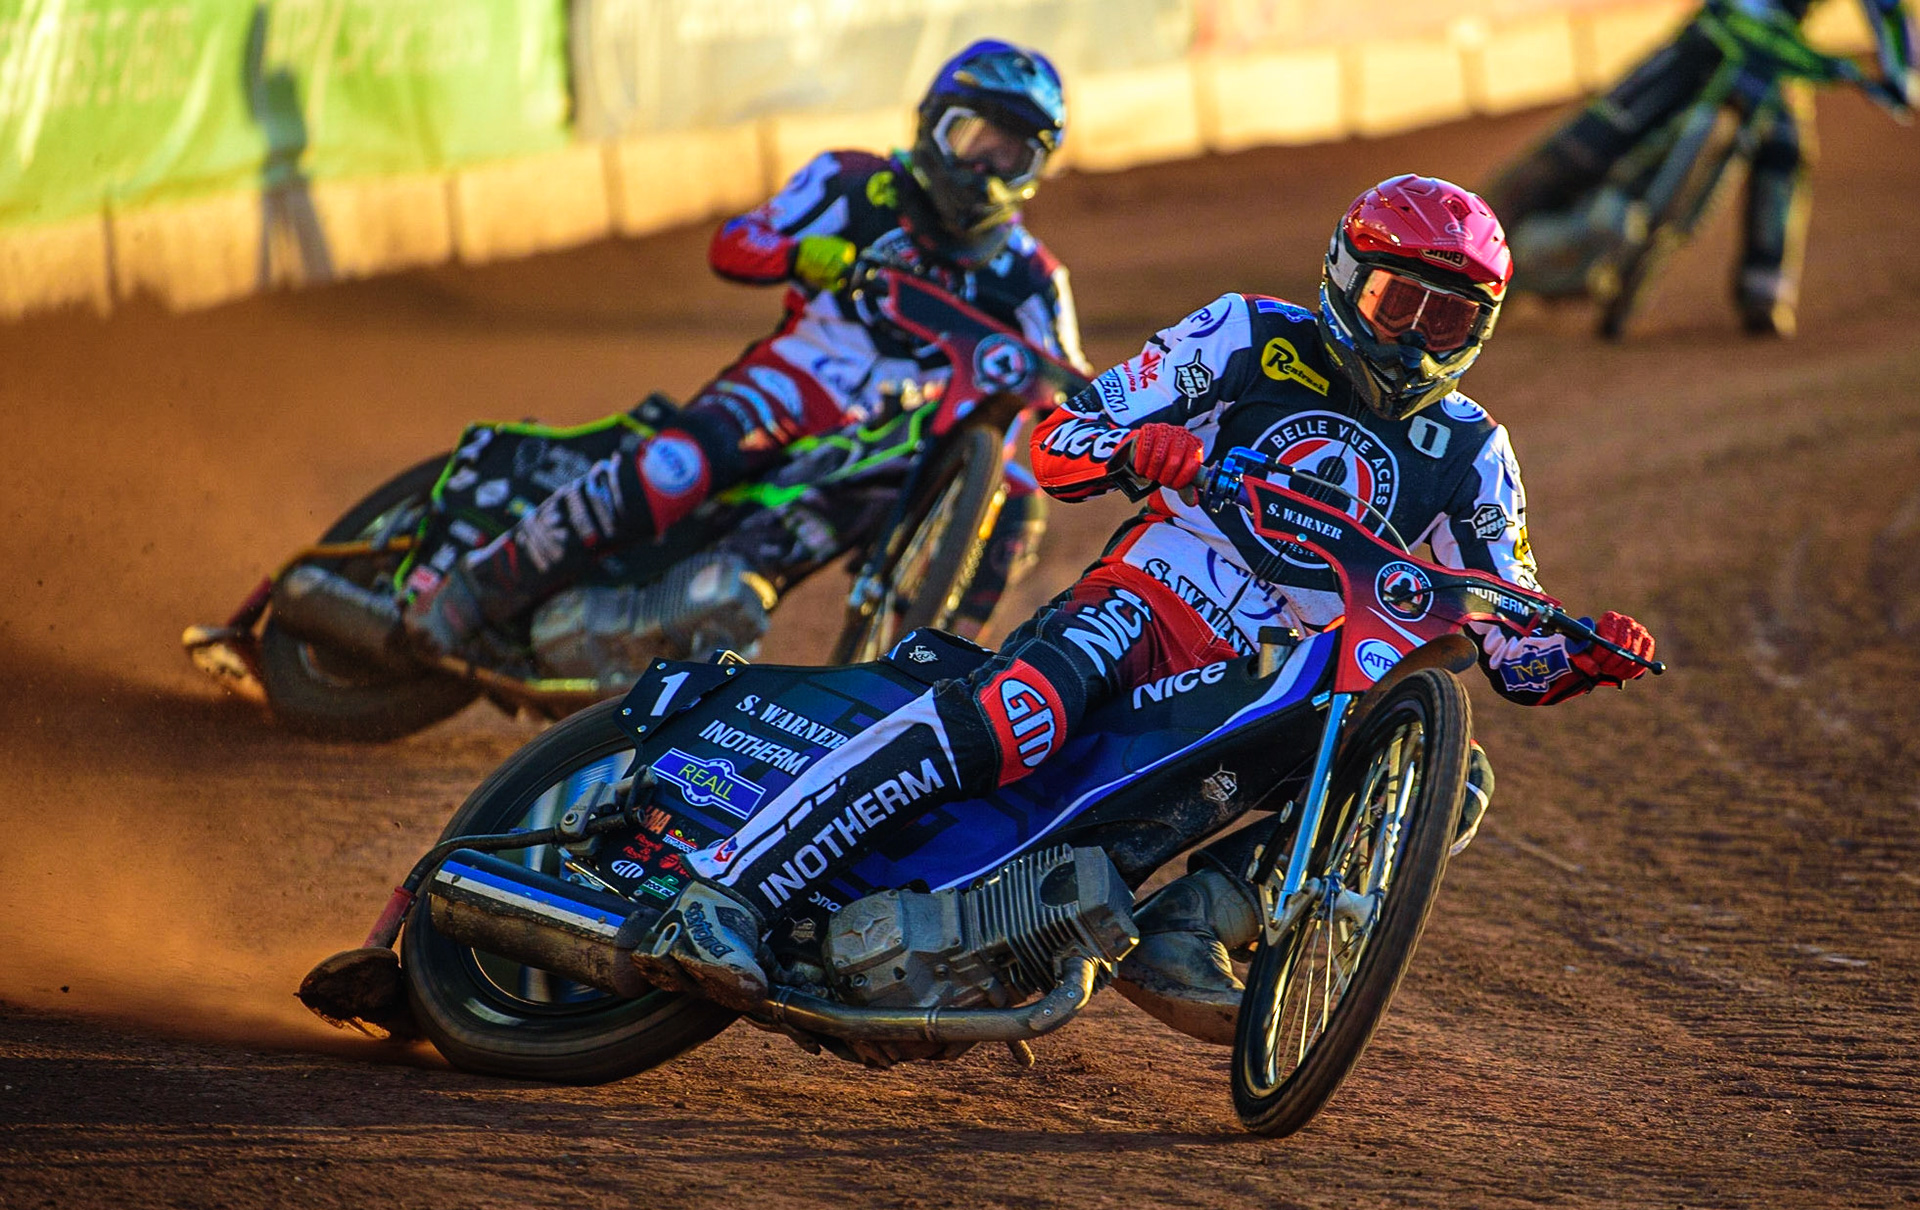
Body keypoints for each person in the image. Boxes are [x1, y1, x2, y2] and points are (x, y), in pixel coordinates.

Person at [627, 175, 1659, 1041]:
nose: (1420, 341)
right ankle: (727, 891)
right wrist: (1134, 449)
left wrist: (1582, 655)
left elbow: (1512, 634)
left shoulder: (1476, 450)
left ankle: (1189, 929)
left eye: (1452, 318)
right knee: (1013, 714)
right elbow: (1054, 442)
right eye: (1402, 304)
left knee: (1450, 776)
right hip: (1154, 600)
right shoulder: (1247, 333)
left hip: (1290, 682)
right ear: (1347, 281)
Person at [404, 40, 1087, 656]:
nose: (984, 170)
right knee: (671, 469)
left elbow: (1076, 389)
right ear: (931, 124)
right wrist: (803, 255)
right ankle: (477, 586)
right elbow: (735, 244)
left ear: (1036, 169)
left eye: (1011, 154)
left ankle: (929, 673)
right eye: (972, 139)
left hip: (890, 453)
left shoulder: (1033, 275)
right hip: (792, 384)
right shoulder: (853, 182)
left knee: (1018, 502)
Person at [1488, 0, 1915, 337]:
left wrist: (1905, 77)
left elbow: (1891, 14)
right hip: (1713, 36)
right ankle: (1483, 251)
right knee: (1603, 129)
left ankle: (1764, 291)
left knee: (1784, 150)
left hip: (1771, 56)